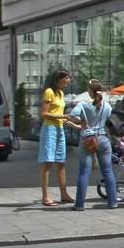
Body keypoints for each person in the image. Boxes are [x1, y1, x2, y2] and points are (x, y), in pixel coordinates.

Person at [68, 79, 118, 211]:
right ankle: (113, 202)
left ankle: (79, 205)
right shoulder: (107, 106)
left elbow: (72, 116)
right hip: (104, 140)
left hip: (88, 141)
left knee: (84, 173)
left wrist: (82, 122)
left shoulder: (83, 104)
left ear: (90, 91)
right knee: (107, 172)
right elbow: (109, 121)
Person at [38, 69, 81, 206]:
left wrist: (75, 125)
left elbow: (60, 115)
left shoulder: (61, 93)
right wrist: (65, 116)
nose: (69, 80)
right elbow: (44, 114)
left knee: (61, 162)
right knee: (48, 162)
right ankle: (45, 197)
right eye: (67, 77)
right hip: (49, 129)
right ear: (59, 79)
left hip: (59, 129)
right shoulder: (49, 92)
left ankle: (64, 194)